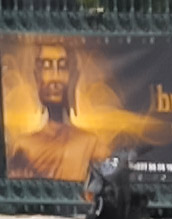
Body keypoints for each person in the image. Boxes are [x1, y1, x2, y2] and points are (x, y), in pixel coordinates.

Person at [7, 41, 103, 182]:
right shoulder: (23, 146)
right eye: (46, 67)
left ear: (73, 76)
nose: (54, 78)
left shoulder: (91, 144)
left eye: (62, 67)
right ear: (36, 77)